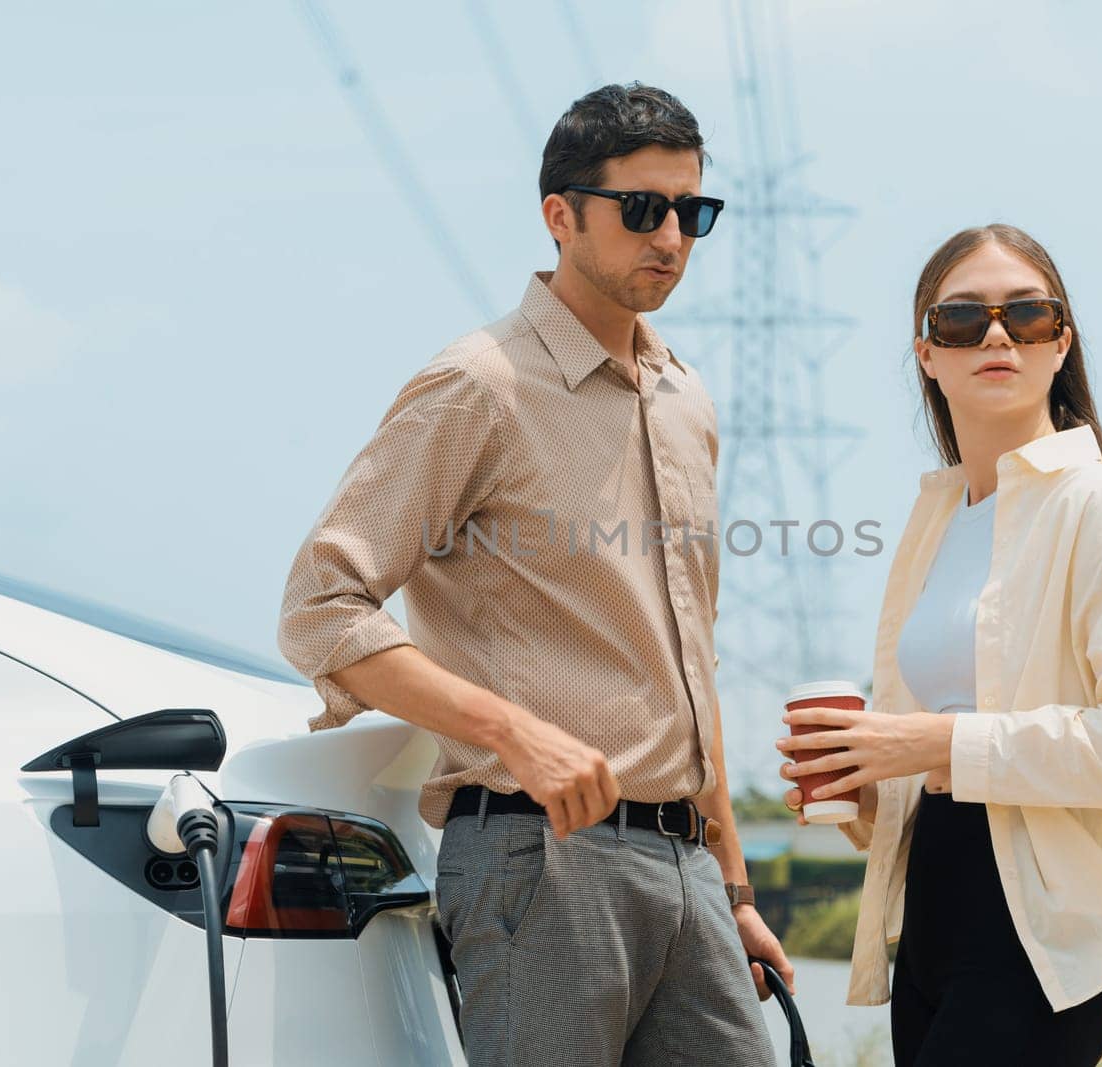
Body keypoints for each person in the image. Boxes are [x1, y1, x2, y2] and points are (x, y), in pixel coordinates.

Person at [277, 83, 788, 1066]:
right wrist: (513, 731)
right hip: (539, 858)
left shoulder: (687, 399)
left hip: (687, 869)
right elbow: (322, 608)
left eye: (693, 211)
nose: (672, 236)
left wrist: (733, 884)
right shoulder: (479, 383)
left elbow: (689, 658)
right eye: (643, 208)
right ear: (560, 214)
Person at [776, 224, 1102, 1065]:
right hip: (933, 909)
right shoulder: (937, 524)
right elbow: (952, 763)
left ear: (1061, 345)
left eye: (1027, 315)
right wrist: (870, 788)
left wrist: (929, 741)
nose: (996, 335)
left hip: (1050, 927)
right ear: (926, 353)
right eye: (962, 321)